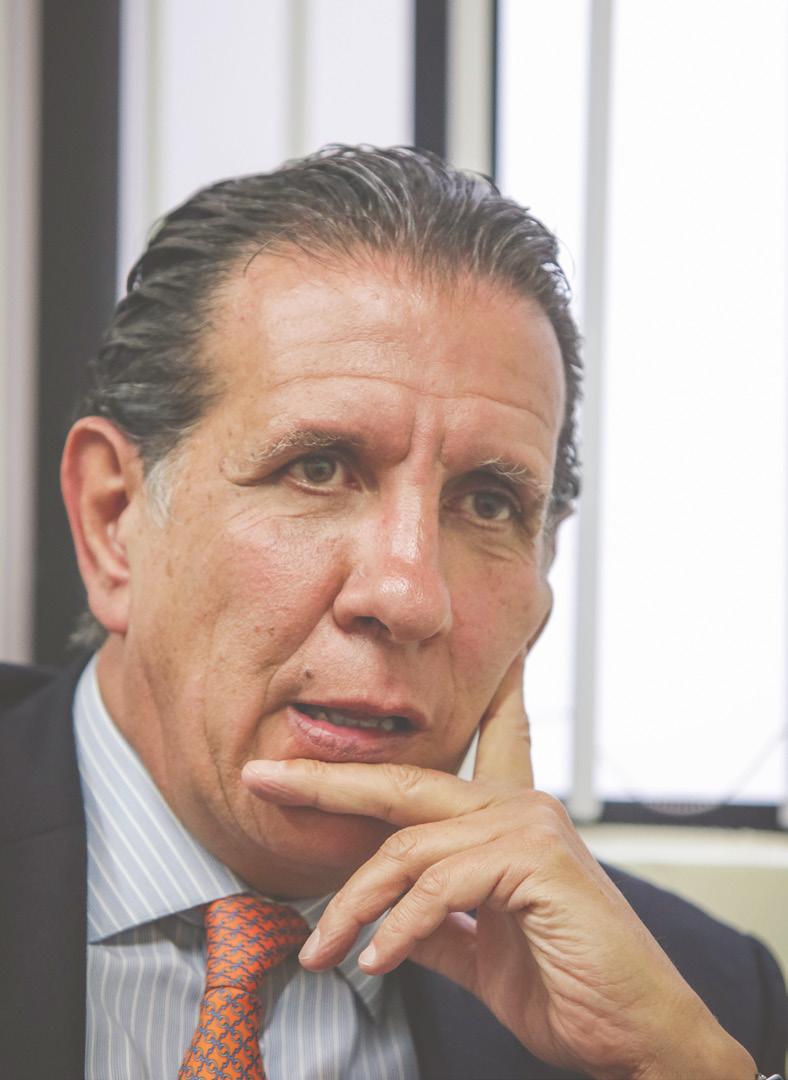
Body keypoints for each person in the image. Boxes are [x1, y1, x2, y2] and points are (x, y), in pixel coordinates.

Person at [0, 146, 784, 1080]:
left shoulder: (701, 1008)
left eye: (488, 503)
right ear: (114, 521)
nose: (409, 596)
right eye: (318, 468)